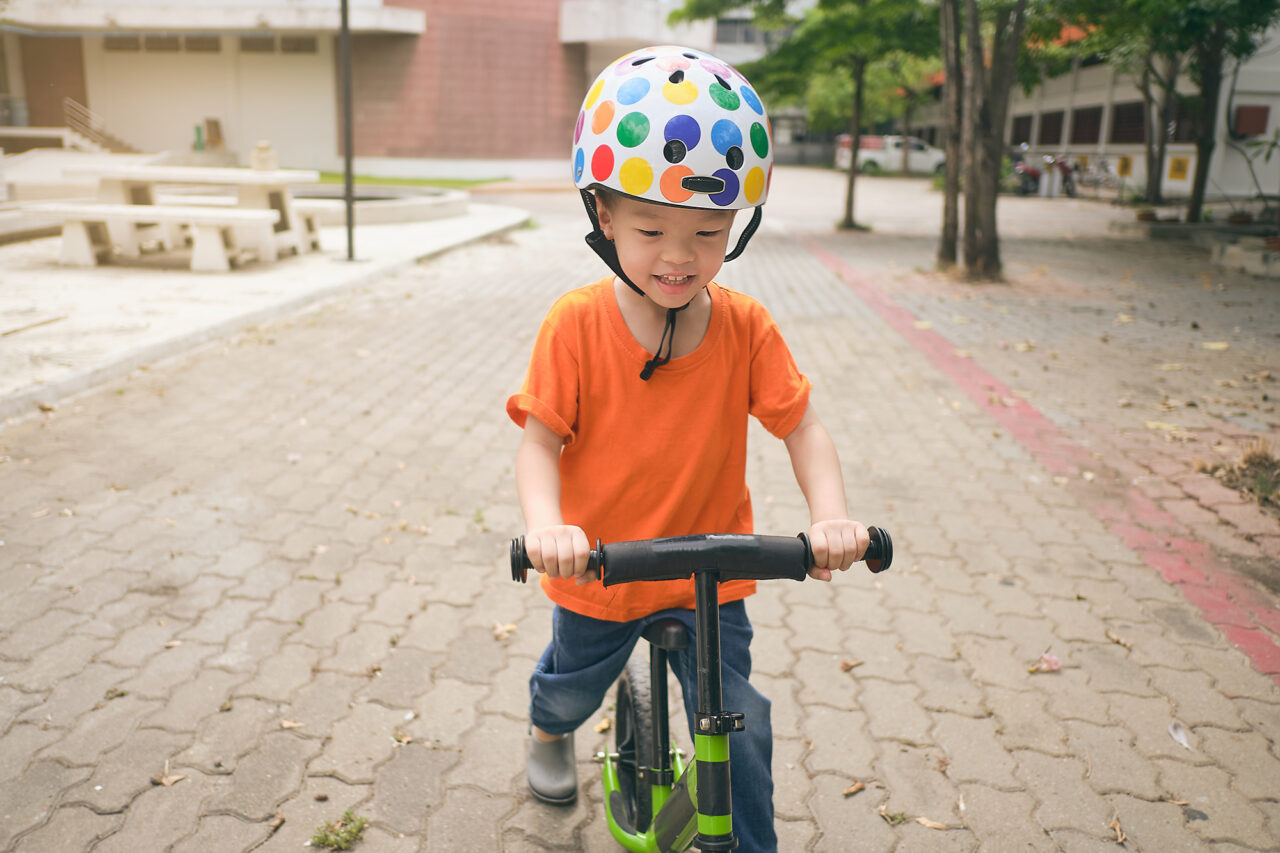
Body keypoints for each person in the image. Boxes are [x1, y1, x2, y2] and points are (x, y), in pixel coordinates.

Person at [506, 44, 870, 851]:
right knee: (569, 689)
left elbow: (802, 426)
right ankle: (547, 730)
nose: (679, 256)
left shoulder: (744, 327)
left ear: (737, 225)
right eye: (650, 229)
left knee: (740, 723)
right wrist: (547, 526)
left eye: (708, 232)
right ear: (603, 217)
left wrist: (832, 516)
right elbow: (538, 445)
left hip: (709, 577)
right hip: (601, 567)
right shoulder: (574, 324)